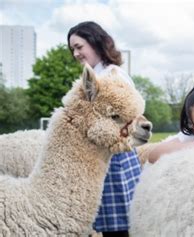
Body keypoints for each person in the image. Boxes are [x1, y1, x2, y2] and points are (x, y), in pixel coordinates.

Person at [68, 21, 139, 237]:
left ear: (95, 41)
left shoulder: (112, 75)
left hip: (116, 157)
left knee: (120, 228)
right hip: (103, 156)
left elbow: (126, 117)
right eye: (73, 49)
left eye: (79, 46)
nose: (76, 53)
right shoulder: (95, 76)